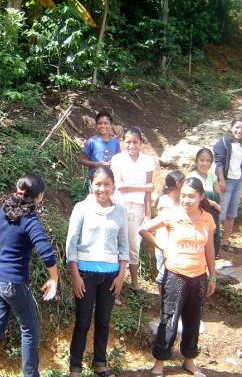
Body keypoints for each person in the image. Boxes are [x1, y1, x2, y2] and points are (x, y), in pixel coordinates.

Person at [0, 173, 58, 377]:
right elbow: (46, 252)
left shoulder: (5, 211)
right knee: (30, 329)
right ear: (39, 196)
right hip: (13, 283)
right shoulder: (30, 220)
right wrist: (54, 278)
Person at [139, 177, 217, 377]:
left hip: (199, 277)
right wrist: (162, 246)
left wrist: (212, 276)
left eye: (191, 196)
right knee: (169, 318)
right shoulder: (171, 214)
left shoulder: (207, 218)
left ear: (201, 197)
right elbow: (143, 229)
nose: (186, 200)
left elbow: (209, 248)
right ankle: (159, 363)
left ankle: (189, 361)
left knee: (193, 319)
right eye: (183, 196)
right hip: (175, 275)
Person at [66, 166, 129, 377]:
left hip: (111, 276)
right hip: (85, 274)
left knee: (103, 320)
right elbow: (71, 244)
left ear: (113, 185)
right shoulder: (81, 208)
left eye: (107, 184)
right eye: (98, 184)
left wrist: (121, 275)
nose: (102, 188)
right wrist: (75, 275)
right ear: (91, 184)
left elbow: (124, 245)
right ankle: (75, 367)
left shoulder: (120, 211)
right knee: (82, 321)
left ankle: (99, 363)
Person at [110, 126, 154, 292]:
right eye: (128, 142)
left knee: (134, 245)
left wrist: (148, 215)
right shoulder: (118, 160)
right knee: (118, 243)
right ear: (123, 143)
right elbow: (120, 186)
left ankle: (134, 282)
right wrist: (144, 187)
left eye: (135, 142)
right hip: (120, 207)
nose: (131, 146)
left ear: (141, 143)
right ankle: (115, 283)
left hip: (139, 208)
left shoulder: (147, 161)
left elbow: (149, 192)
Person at [213, 116, 242, 253]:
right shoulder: (224, 142)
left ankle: (224, 241)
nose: (239, 130)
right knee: (220, 213)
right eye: (237, 127)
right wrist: (221, 180)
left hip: (237, 182)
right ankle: (213, 243)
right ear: (231, 127)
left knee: (231, 213)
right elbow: (219, 162)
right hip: (226, 181)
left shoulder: (241, 145)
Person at [187, 148, 222, 258]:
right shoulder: (192, 177)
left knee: (212, 237)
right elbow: (194, 196)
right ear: (196, 161)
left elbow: (219, 196)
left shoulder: (212, 176)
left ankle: (210, 265)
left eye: (208, 161)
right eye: (202, 160)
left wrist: (211, 199)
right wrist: (215, 204)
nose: (205, 164)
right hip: (198, 214)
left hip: (211, 214)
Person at [154, 170, 184, 286]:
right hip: (164, 242)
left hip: (174, 242)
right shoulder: (165, 201)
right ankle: (162, 302)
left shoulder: (180, 200)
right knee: (163, 274)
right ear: (178, 184)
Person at [77, 111, 121, 179]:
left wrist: (112, 162)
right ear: (96, 125)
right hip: (95, 179)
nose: (102, 126)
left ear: (111, 125)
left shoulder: (115, 142)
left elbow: (119, 159)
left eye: (105, 123)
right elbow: (81, 159)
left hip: (110, 178)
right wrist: (96, 164)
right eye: (99, 123)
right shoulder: (92, 141)